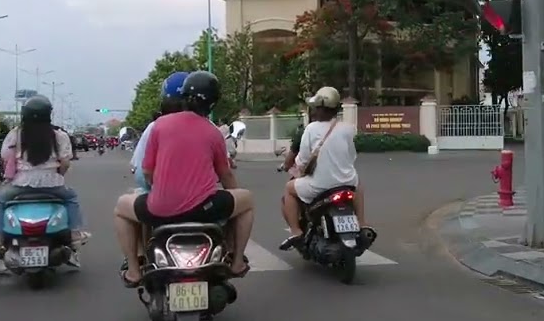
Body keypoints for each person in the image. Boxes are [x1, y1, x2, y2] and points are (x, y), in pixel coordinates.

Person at [113, 71, 255, 286]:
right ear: (212, 103)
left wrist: (162, 190)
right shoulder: (213, 132)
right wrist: (232, 194)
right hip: (205, 210)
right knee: (247, 200)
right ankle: (236, 262)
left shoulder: (159, 126)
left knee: (120, 208)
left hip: (160, 209)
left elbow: (147, 172)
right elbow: (225, 175)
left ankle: (133, 271)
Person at [0, 96, 87, 275]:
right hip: (52, 185)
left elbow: (5, 156)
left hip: (21, 185)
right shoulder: (59, 135)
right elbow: (65, 163)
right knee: (71, 198)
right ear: (49, 114)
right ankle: (75, 234)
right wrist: (57, 175)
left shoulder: (16, 134)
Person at [279, 87, 372, 251]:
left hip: (320, 186)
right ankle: (362, 223)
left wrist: (299, 166)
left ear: (319, 109)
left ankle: (296, 231)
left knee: (289, 189)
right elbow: (351, 156)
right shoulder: (348, 128)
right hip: (346, 182)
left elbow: (303, 159)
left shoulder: (310, 129)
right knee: (358, 184)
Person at [131, 72, 188, 192]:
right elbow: (223, 171)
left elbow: (142, 173)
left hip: (161, 194)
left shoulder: (155, 127)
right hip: (201, 197)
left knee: (124, 202)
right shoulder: (209, 127)